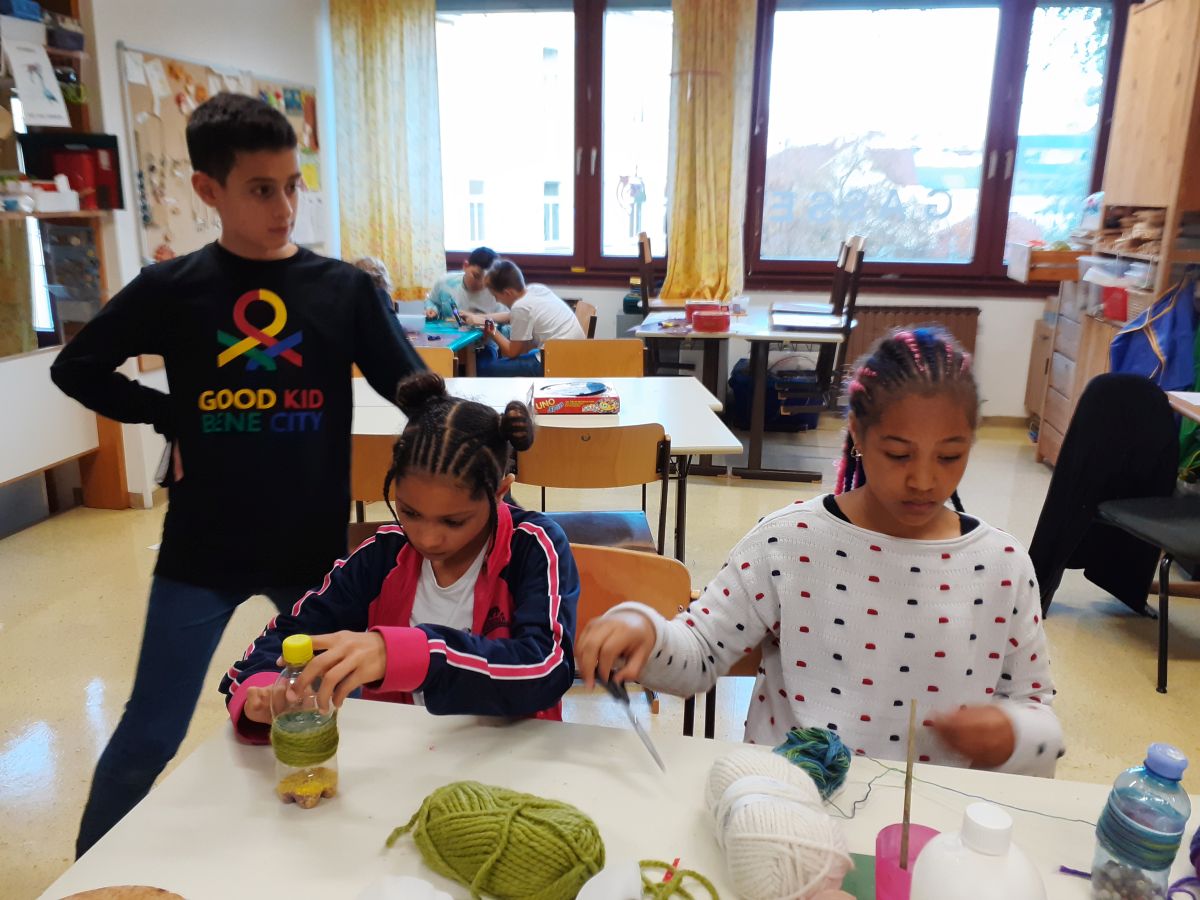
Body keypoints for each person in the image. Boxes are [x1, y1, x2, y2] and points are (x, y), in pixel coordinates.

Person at [51, 92, 424, 856]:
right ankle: (83, 884)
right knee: (150, 733)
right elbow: (76, 366)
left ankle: (359, 865)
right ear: (208, 189)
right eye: (261, 189)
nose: (284, 207)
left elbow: (413, 388)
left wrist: (476, 430)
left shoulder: (343, 291)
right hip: (203, 548)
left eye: (292, 186)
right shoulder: (174, 288)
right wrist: (170, 415)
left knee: (366, 715)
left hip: (312, 554)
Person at [577, 328, 1064, 776]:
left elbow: (1038, 713)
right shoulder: (788, 542)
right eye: (898, 454)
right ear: (857, 433)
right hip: (789, 801)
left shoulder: (1002, 565)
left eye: (950, 456)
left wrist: (1013, 735)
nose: (923, 479)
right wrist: (645, 629)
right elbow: (700, 652)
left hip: (935, 819)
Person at [219, 371, 579, 733]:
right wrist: (262, 691)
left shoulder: (533, 546)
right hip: (404, 747)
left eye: (453, 521)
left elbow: (546, 670)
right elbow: (288, 634)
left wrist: (408, 653)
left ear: (501, 492)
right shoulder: (385, 553)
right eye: (410, 512)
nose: (427, 539)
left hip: (513, 750)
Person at [477, 259, 585, 377]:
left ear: (507, 293)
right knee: (528, 354)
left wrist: (493, 332)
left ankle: (488, 350)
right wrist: (482, 317)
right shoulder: (536, 289)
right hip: (576, 354)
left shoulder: (520, 307)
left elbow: (511, 352)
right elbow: (512, 316)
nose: (497, 300)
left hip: (554, 362)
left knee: (486, 369)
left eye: (496, 296)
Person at [424, 246, 508, 325]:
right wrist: (432, 309)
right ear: (465, 266)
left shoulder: (496, 294)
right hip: (447, 333)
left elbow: (507, 324)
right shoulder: (445, 282)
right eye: (476, 276)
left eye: (487, 280)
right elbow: (431, 301)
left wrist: (483, 321)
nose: (481, 283)